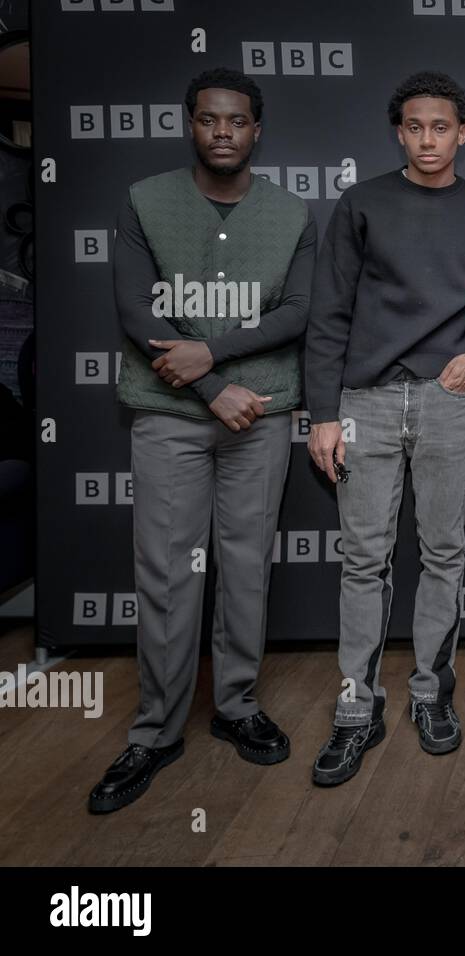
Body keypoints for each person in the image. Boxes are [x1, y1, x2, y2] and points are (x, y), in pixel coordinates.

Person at [90, 68, 316, 813]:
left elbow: (296, 311)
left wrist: (214, 361)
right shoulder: (145, 201)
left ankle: (236, 705)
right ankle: (155, 731)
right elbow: (133, 305)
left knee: (245, 567)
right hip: (168, 414)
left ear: (257, 130)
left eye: (238, 121)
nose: (224, 132)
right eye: (210, 119)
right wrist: (211, 389)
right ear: (190, 124)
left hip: (261, 416)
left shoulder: (290, 212)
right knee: (165, 572)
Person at [304, 72, 465, 786]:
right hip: (367, 400)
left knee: (444, 554)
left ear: (463, 132)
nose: (427, 139)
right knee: (364, 561)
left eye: (441, 127)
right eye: (414, 126)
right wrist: (323, 413)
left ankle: (430, 697)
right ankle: (357, 708)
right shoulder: (362, 203)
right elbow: (328, 313)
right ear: (399, 132)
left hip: (448, 402)